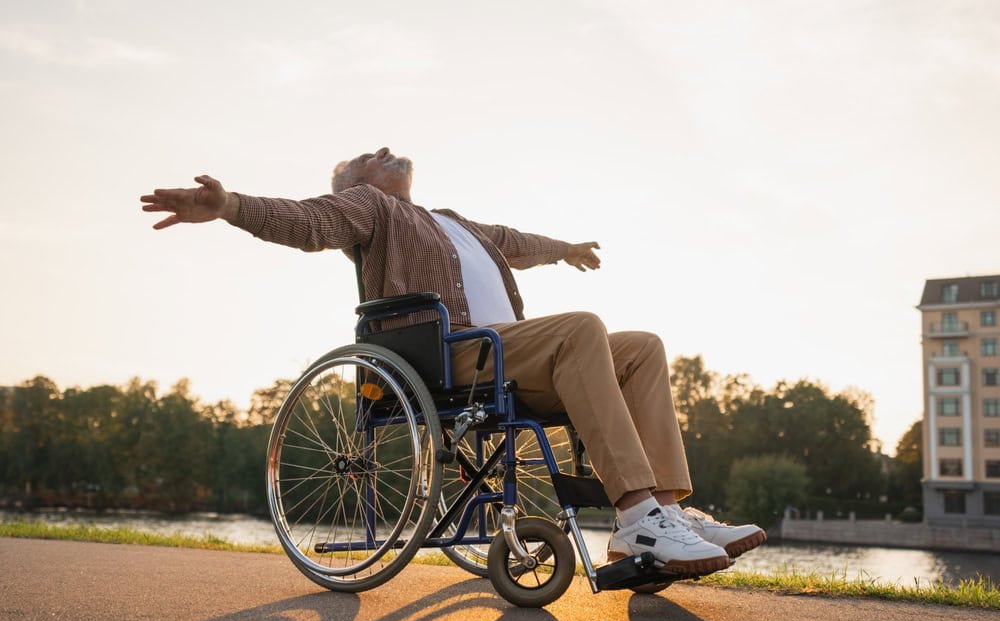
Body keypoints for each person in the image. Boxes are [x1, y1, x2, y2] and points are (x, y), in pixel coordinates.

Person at [140, 147, 765, 575]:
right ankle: (635, 519)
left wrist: (565, 249)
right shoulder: (372, 209)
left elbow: (515, 243)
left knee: (642, 348)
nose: (385, 149)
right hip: (455, 358)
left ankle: (664, 507)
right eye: (368, 154)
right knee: (582, 328)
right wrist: (229, 208)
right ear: (355, 182)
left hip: (511, 354)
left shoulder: (451, 221)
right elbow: (308, 221)